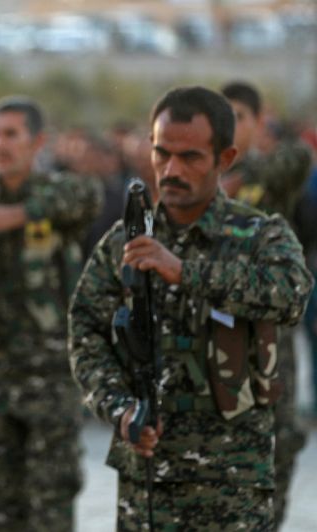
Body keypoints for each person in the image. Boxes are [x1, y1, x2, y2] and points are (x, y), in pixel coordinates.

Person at [68, 86, 314, 530]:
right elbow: (85, 332)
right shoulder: (124, 242)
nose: (171, 170)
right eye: (162, 154)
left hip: (231, 487)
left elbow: (291, 293)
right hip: (146, 488)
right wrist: (119, 408)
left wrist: (186, 272)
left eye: (191, 157)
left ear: (225, 158)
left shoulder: (259, 235)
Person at [0, 96, 102, 530]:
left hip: (50, 380)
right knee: (1, 506)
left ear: (38, 142)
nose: (1, 144)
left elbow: (87, 197)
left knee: (50, 506)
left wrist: (10, 216)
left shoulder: (56, 192)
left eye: (11, 134)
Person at [220, 80, 313, 529]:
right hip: (214, 335)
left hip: (269, 336)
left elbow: (297, 159)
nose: (231, 126)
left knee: (279, 438)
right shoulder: (196, 179)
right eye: (224, 117)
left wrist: (243, 177)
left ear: (259, 122)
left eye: (240, 116)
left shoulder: (270, 170)